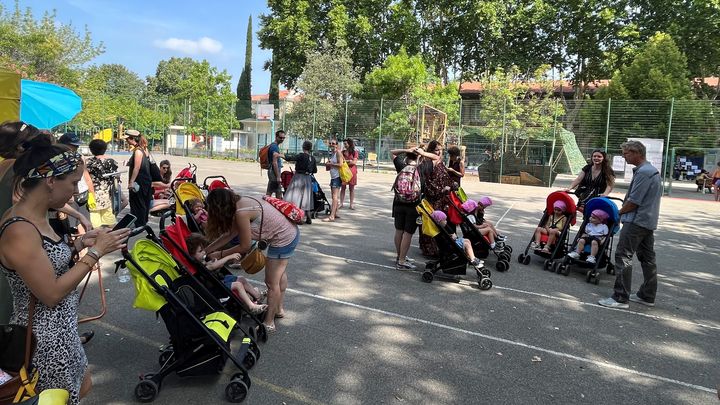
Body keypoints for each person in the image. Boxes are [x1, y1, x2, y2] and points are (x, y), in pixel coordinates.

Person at [0, 133, 130, 404]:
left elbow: (46, 261)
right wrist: (96, 252)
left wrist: (80, 242)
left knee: (81, 387)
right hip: (43, 343)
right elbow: (51, 293)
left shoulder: (37, 218)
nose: (75, 191)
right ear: (50, 181)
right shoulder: (20, 229)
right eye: (72, 183)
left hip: (62, 333)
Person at [204, 188, 299, 333]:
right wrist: (207, 250)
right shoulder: (239, 202)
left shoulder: (241, 213)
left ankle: (269, 322)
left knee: (271, 282)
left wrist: (221, 253)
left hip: (283, 239)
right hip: (289, 231)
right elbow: (230, 234)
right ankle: (278, 309)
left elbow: (245, 246)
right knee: (279, 273)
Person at [599, 141, 662, 309]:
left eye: (626, 153)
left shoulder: (643, 173)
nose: (624, 156)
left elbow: (634, 202)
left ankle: (620, 298)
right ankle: (647, 295)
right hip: (647, 221)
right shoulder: (650, 171)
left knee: (622, 256)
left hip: (636, 221)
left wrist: (616, 214)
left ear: (636, 153)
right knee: (648, 259)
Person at [185, 233, 268, 315]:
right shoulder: (198, 266)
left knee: (241, 278)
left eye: (203, 249)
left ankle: (257, 296)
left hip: (220, 280)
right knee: (238, 285)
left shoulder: (202, 261)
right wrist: (229, 256)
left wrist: (215, 261)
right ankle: (251, 306)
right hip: (216, 289)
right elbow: (212, 267)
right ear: (192, 255)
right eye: (200, 251)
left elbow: (216, 265)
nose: (203, 252)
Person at [413, 140, 453, 257]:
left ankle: (439, 247)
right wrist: (440, 190)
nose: (439, 152)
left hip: (442, 200)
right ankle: (429, 249)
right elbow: (429, 184)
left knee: (441, 224)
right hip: (433, 199)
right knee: (431, 223)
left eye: (441, 150)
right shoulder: (429, 162)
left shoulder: (439, 162)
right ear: (431, 151)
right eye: (437, 150)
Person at [389, 148, 422, 270]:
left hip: (398, 202)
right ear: (418, 157)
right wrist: (421, 154)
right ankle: (402, 261)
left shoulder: (401, 165)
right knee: (408, 233)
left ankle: (400, 256)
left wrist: (406, 149)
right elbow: (437, 159)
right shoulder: (420, 168)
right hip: (413, 205)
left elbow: (392, 152)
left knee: (399, 230)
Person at [121, 129, 153, 227]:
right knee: (143, 202)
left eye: (127, 139)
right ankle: (143, 222)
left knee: (138, 203)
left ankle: (140, 224)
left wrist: (131, 182)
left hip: (139, 182)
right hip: (146, 180)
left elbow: (137, 167)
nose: (126, 141)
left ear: (132, 139)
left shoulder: (138, 151)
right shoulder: (144, 148)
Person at [86, 139, 120, 228]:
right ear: (105, 149)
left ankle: (98, 238)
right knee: (110, 221)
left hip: (92, 193)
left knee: (95, 220)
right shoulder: (111, 161)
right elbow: (116, 177)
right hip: (107, 194)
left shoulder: (88, 162)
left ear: (91, 150)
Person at [284, 140, 317, 224]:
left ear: (303, 147)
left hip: (299, 177)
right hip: (308, 179)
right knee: (306, 198)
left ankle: (300, 218)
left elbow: (290, 158)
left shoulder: (301, 156)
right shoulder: (312, 158)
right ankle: (308, 216)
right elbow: (315, 170)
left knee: (296, 196)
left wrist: (281, 155)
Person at [323, 138, 345, 222]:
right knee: (334, 196)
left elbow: (340, 164)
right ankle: (335, 213)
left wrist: (331, 164)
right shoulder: (332, 153)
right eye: (330, 143)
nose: (331, 145)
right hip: (333, 177)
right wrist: (328, 165)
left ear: (337, 145)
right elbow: (332, 165)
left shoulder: (338, 153)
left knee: (334, 197)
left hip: (337, 177)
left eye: (333, 143)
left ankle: (331, 216)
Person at [266, 130, 286, 199]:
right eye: (280, 137)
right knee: (274, 192)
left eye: (283, 138)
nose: (282, 139)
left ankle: (269, 206)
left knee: (273, 191)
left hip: (273, 172)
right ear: (276, 137)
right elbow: (274, 162)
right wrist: (278, 176)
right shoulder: (274, 147)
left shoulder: (274, 146)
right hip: (274, 173)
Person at [340, 138, 359, 210]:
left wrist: (346, 161)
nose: (344, 145)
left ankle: (351, 204)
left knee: (351, 188)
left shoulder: (354, 152)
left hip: (352, 172)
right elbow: (341, 161)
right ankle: (341, 203)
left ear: (349, 144)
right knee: (343, 188)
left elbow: (354, 162)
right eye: (344, 144)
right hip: (344, 172)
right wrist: (349, 161)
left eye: (345, 144)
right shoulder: (342, 152)